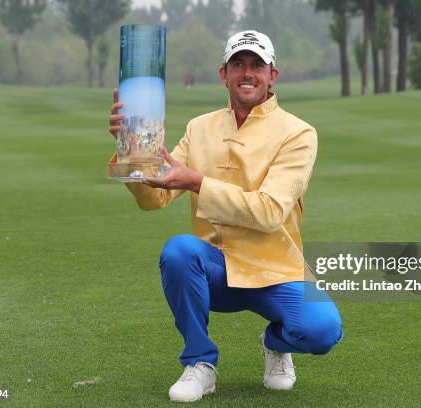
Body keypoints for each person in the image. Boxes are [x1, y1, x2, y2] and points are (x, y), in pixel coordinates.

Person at [108, 30, 343, 403]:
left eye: (256, 65)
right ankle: (200, 363)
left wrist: (199, 183)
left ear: (272, 75)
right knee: (179, 251)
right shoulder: (200, 128)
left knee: (323, 330)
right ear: (224, 74)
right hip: (216, 268)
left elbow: (268, 212)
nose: (247, 73)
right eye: (238, 64)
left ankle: (274, 342)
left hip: (276, 269)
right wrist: (130, 153)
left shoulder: (298, 133)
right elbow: (154, 199)